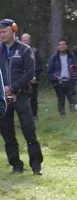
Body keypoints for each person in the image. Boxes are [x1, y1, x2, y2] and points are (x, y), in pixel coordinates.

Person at [0, 18, 43, 175]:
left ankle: (36, 165)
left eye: (4, 31)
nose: (1, 35)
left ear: (13, 30)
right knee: (7, 131)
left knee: (28, 129)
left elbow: (29, 73)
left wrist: (12, 87)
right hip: (6, 99)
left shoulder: (25, 50)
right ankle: (16, 164)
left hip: (21, 96)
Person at [47, 38, 77, 116]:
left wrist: (75, 78)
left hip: (70, 81)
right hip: (59, 83)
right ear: (57, 46)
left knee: (73, 100)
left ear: (67, 46)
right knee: (61, 100)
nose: (62, 46)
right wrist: (55, 78)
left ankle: (75, 115)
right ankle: (63, 117)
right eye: (60, 44)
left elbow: (76, 68)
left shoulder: (72, 57)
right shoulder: (53, 58)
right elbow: (49, 72)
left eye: (64, 44)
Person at [20, 33, 41, 119]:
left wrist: (35, 76)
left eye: (27, 39)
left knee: (33, 99)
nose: (25, 41)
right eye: (23, 40)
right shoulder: (17, 50)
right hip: (20, 80)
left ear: (30, 40)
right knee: (20, 99)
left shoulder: (35, 51)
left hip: (33, 79)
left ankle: (34, 115)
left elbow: (39, 65)